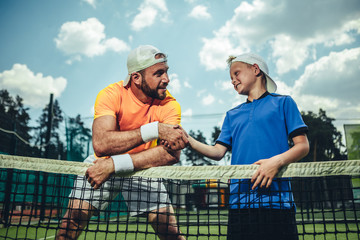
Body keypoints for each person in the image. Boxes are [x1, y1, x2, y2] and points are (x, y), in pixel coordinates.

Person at [169, 53, 309, 240]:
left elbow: (303, 146)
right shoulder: (232, 115)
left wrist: (276, 162)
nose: (233, 81)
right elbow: (218, 152)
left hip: (277, 202)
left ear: (255, 69)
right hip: (240, 204)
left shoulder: (283, 103)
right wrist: (189, 140)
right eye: (231, 78)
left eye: (237, 73)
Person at [56, 45, 188, 240]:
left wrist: (114, 165)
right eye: (158, 73)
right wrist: (155, 130)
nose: (166, 79)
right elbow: (101, 144)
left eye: (166, 72)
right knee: (71, 222)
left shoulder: (170, 105)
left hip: (144, 168)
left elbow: (170, 153)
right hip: (102, 163)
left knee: (170, 234)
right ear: (136, 77)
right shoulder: (110, 94)